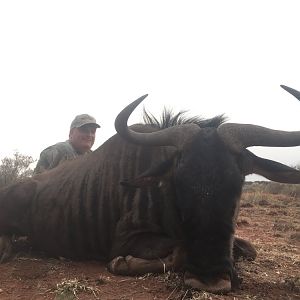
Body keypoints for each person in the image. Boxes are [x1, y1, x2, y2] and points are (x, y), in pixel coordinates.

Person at [34, 114, 100, 174]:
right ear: (71, 133)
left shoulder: (94, 157)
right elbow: (35, 184)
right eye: (84, 130)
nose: (89, 135)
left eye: (93, 132)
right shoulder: (55, 152)